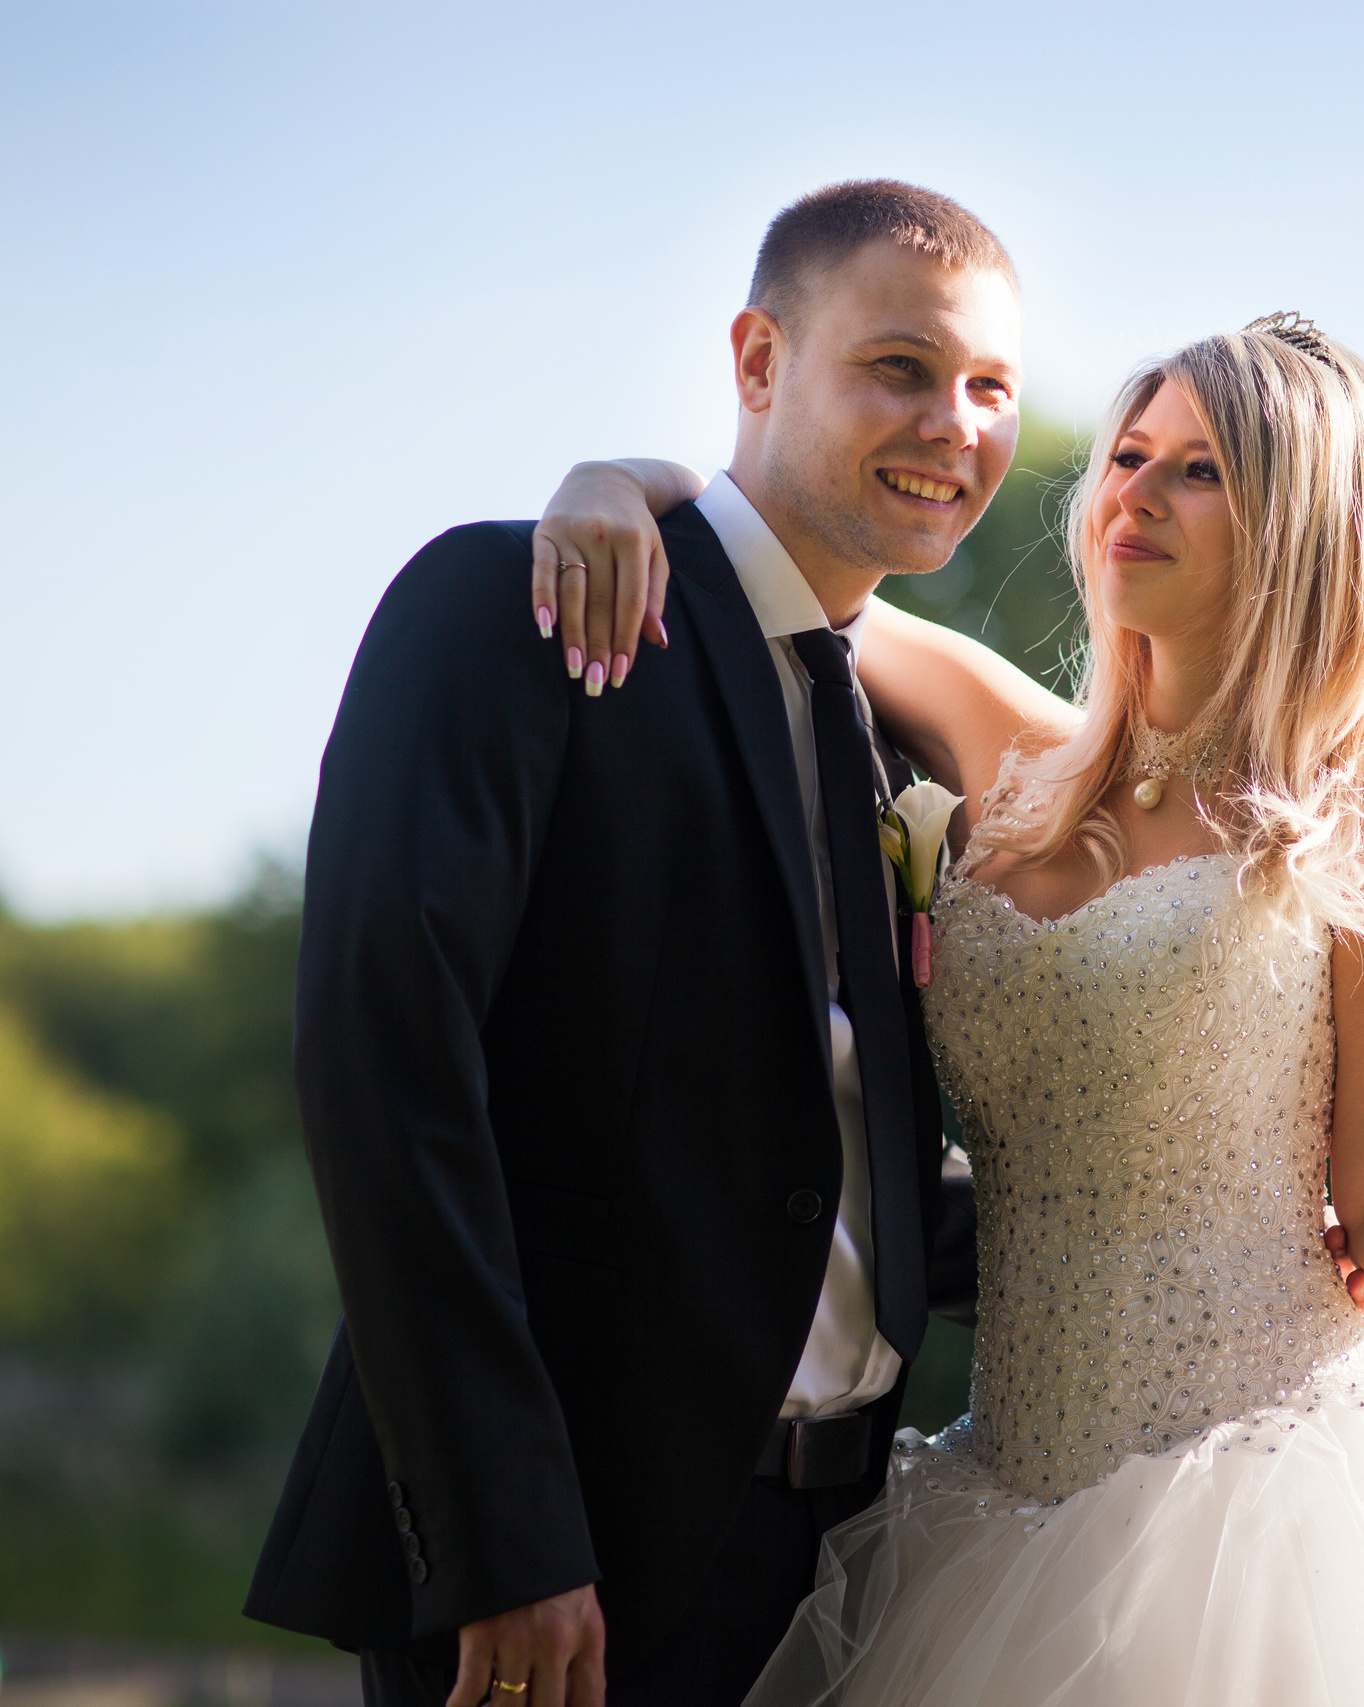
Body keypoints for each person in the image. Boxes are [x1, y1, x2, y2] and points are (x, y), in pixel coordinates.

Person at [530, 308, 1364, 1702]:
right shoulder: (1002, 742)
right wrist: (611, 488)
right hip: (989, 1509)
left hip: (1263, 1524)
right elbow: (778, 561)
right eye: (1129, 454)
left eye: (1201, 470)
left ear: (1309, 528)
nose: (1131, 495)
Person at [245, 181, 1018, 1707]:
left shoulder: (879, 718)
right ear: (756, 361)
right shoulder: (513, 606)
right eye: (902, 369)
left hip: (856, 1561)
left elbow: (832, 1154)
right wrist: (505, 1532)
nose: (956, 426)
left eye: (992, 386)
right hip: (569, 1566)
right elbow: (388, 1076)